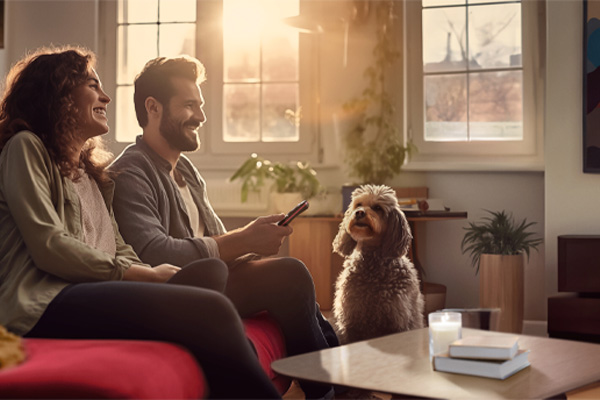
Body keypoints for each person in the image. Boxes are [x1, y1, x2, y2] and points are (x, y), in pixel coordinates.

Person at [0, 46, 327, 399]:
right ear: (59, 91)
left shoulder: (91, 174)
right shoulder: (26, 147)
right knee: (211, 307)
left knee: (214, 278)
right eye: (93, 86)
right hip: (47, 300)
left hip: (92, 288)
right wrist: (145, 275)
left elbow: (119, 247)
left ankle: (328, 380)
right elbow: (50, 246)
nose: (106, 97)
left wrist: (155, 275)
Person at [108, 56, 337, 398]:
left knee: (291, 277)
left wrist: (253, 238)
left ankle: (336, 380)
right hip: (178, 290)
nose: (200, 116)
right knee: (289, 275)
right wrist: (243, 239)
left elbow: (217, 238)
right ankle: (328, 390)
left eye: (199, 105)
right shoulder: (131, 172)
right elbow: (153, 252)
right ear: (152, 108)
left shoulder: (186, 170)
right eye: (189, 105)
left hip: (215, 280)